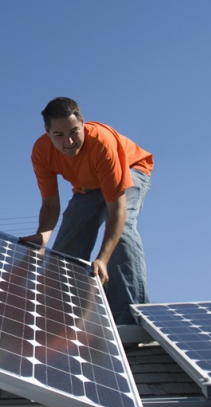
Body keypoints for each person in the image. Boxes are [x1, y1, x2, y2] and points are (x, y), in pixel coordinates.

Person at [21, 97, 153, 325]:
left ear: (83, 122)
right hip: (88, 187)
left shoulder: (101, 144)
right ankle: (61, 315)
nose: (69, 141)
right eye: (59, 135)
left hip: (131, 169)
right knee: (67, 248)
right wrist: (43, 237)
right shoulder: (41, 152)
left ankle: (130, 317)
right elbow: (51, 205)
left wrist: (102, 259)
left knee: (121, 234)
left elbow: (117, 209)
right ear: (47, 132)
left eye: (74, 131)